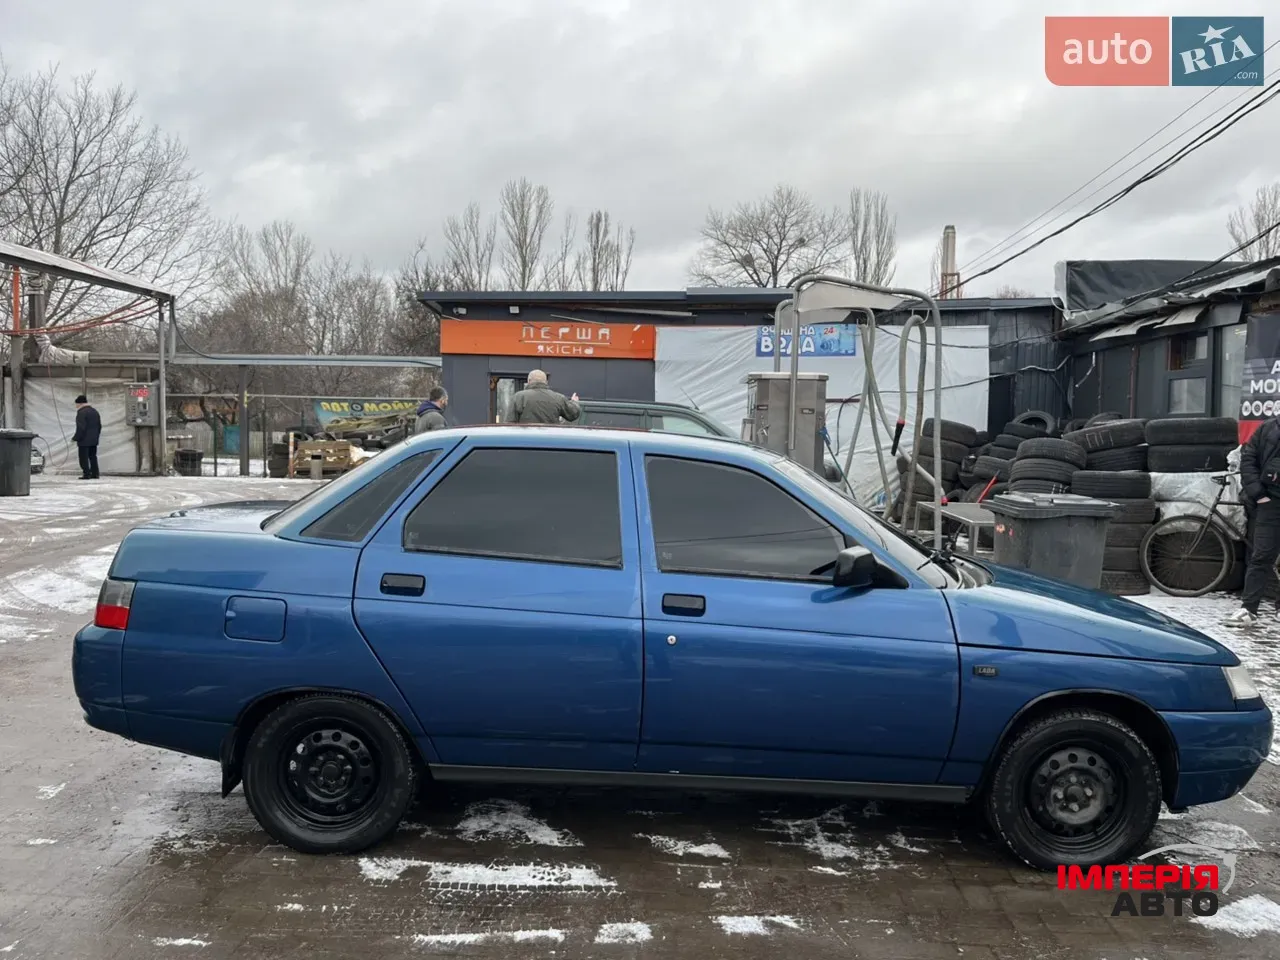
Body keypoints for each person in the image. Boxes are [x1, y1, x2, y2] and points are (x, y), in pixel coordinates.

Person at [1227, 416, 1280, 628]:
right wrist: (1259, 495)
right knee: (1262, 555)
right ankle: (1249, 610)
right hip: (1270, 502)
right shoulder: (1268, 428)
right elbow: (1248, 460)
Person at [512, 369, 580, 424]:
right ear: (546, 382)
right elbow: (572, 415)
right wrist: (574, 402)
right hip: (550, 438)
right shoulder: (558, 398)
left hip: (525, 438)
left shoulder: (519, 397)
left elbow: (510, 421)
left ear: (529, 381)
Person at [72, 394, 102, 480]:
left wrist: (76, 438)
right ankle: (95, 473)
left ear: (80, 403)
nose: (76, 406)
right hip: (94, 439)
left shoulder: (81, 412)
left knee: (83, 457)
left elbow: (81, 427)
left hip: (84, 440)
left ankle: (86, 474)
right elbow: (99, 426)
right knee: (93, 456)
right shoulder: (94, 411)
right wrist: (96, 436)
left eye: (76, 404)